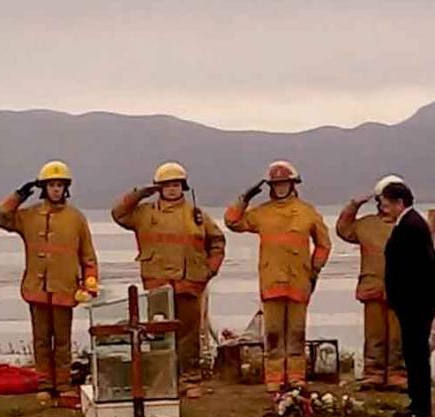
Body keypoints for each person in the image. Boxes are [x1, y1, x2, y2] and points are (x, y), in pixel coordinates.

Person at [111, 162, 225, 398]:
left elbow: (217, 242)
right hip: (158, 283)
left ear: (183, 187)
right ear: (158, 188)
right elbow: (118, 214)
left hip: (190, 283)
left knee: (189, 335)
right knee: (159, 332)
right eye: (166, 185)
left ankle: (189, 380)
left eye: (176, 185)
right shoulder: (144, 213)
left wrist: (209, 271)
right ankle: (162, 380)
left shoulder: (198, 215)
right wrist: (140, 193)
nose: (172, 189)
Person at [0, 160, 99, 403]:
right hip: (36, 290)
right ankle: (44, 384)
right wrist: (19, 196)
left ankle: (63, 384)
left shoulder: (76, 218)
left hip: (64, 289)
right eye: (51, 185)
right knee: (41, 340)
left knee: (62, 341)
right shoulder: (28, 216)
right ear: (43, 187)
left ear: (66, 188)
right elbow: (1, 217)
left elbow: (88, 255)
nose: (56, 189)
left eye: (60, 185)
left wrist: (89, 283)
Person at [224, 160, 331, 392]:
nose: (281, 187)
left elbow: (324, 244)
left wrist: (315, 268)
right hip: (271, 281)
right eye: (277, 184)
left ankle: (296, 378)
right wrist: (244, 198)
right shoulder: (261, 213)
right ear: (271, 186)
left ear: (293, 184)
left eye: (285, 183)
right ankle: (273, 379)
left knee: (296, 333)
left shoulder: (307, 212)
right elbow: (232, 222)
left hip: (299, 281)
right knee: (272, 334)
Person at [336, 175, 406, 390]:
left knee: (399, 336)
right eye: (383, 199)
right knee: (374, 335)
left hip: (403, 290)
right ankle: (373, 373)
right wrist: (353, 206)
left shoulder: (410, 224)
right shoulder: (366, 225)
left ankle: (398, 374)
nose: (386, 204)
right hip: (372, 287)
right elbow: (343, 230)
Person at [380, 182, 435, 417]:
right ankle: (417, 402)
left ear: (399, 203)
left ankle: (420, 406)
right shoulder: (411, 223)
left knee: (416, 354)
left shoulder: (411, 226)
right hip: (414, 302)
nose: (383, 209)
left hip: (415, 303)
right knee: (414, 353)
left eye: (385, 205)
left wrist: (404, 297)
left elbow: (417, 268)